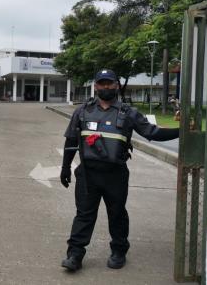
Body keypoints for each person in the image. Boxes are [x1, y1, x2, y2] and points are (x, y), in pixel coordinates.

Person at [59, 69, 180, 271]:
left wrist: (181, 131)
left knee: (117, 214)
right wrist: (65, 167)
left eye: (110, 83)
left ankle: (118, 251)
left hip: (115, 174)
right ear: (96, 86)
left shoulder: (128, 113)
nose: (106, 87)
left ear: (116, 85)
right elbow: (71, 140)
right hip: (88, 174)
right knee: (84, 215)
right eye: (102, 83)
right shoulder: (82, 111)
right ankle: (75, 254)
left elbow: (153, 132)